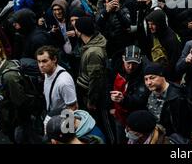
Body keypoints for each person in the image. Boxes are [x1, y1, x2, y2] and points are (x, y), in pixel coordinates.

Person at [74, 16, 113, 144]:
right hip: (91, 94)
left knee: (105, 125)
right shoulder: (93, 44)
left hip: (97, 98)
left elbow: (95, 80)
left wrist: (92, 101)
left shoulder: (94, 52)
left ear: (79, 31)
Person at [110, 45, 147, 144]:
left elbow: (141, 99)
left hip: (134, 117)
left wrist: (123, 100)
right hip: (119, 116)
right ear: (123, 59)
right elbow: (107, 85)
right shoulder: (114, 68)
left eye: (134, 64)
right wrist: (110, 105)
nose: (130, 67)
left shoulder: (144, 75)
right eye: (128, 63)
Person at [36, 46, 77, 126]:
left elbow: (73, 108)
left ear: (54, 59)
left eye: (44, 61)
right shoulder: (47, 73)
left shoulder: (63, 82)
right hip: (52, 116)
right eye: (39, 61)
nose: (41, 65)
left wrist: (67, 132)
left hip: (61, 122)